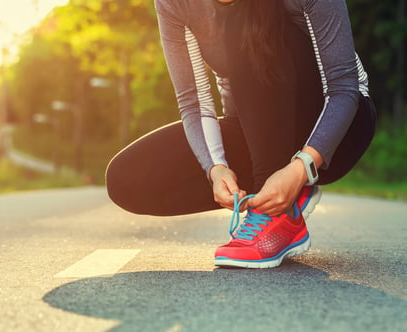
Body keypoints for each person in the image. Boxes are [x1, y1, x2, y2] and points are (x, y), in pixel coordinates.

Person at [105, 0, 376, 268]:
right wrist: (216, 169)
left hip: (337, 133)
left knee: (242, 18)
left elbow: (344, 88)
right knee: (127, 179)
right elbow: (195, 103)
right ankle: (277, 191)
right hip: (257, 131)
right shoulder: (176, 3)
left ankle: (278, 216)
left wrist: (301, 168)